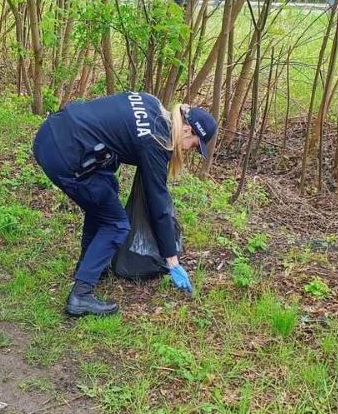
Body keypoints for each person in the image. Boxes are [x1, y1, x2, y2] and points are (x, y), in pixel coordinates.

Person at [32, 92, 217, 317]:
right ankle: (81, 294)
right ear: (187, 130)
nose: (189, 150)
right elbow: (158, 203)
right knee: (116, 224)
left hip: (51, 133)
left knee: (104, 197)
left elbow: (114, 130)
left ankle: (89, 268)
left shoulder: (151, 103)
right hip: (65, 155)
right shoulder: (156, 142)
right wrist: (172, 260)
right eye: (194, 145)